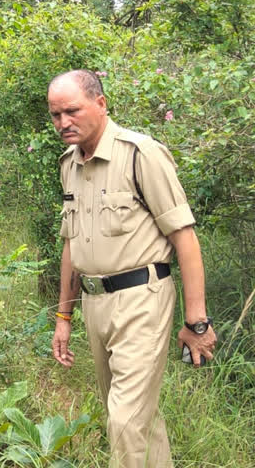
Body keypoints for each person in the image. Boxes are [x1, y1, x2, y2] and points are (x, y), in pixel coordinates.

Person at [48, 70, 216, 468]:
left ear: (101, 104)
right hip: (95, 304)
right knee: (133, 416)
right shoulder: (68, 164)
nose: (63, 123)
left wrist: (196, 321)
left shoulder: (141, 153)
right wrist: (63, 315)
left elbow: (184, 236)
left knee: (124, 422)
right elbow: (72, 244)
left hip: (143, 300)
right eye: (55, 115)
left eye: (72, 111)